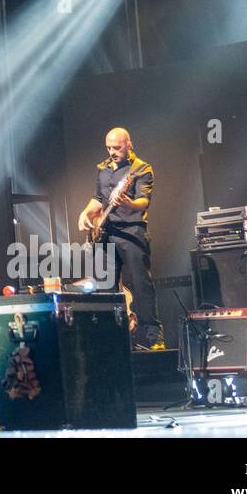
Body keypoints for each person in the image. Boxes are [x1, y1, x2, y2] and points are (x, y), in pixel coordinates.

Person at [78, 127, 165, 350]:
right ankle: (112, 338)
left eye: (116, 147)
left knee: (140, 283)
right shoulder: (103, 169)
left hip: (132, 232)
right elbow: (98, 198)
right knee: (106, 287)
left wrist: (127, 202)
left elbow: (143, 202)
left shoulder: (142, 169)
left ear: (129, 144)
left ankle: (153, 336)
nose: (112, 151)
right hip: (106, 232)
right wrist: (85, 213)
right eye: (108, 147)